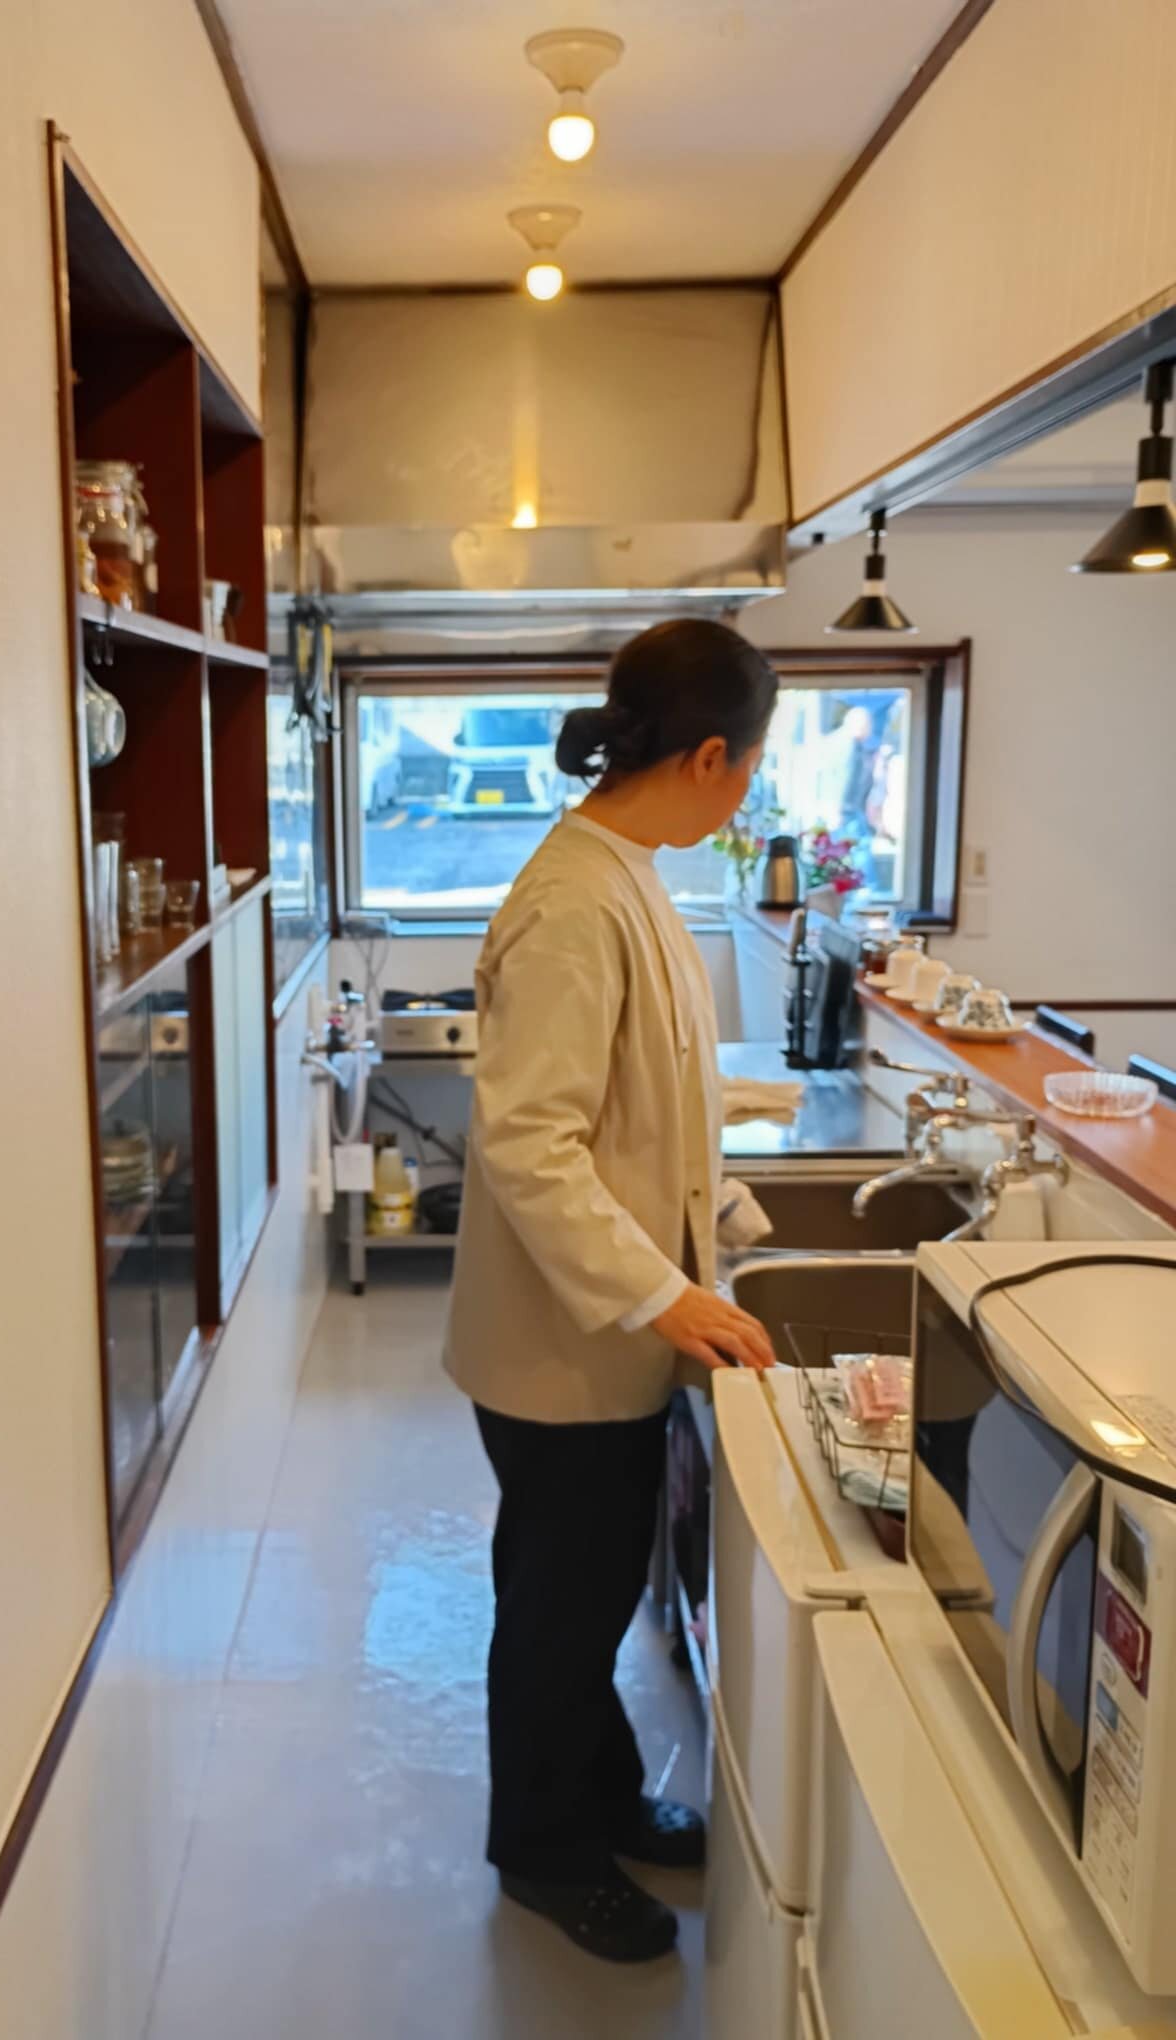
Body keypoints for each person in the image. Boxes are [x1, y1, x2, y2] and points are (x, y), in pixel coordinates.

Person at [444, 618, 779, 1966]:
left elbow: (656, 1110)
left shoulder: (624, 873)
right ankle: (544, 1851)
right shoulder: (577, 904)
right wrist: (661, 1298)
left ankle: (604, 1797)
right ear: (707, 758)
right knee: (561, 1609)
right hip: (562, 1353)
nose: (745, 791)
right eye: (749, 765)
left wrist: (721, 1233)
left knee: (578, 1598)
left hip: (601, 1338)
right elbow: (532, 1144)